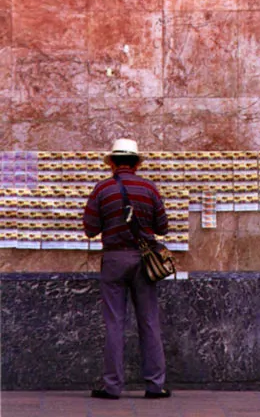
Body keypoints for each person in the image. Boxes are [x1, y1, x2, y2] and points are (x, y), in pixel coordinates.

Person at [83, 137, 171, 400]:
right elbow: (163, 227)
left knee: (114, 324)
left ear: (112, 162)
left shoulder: (102, 189)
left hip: (113, 260)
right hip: (144, 262)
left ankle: (112, 386)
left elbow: (90, 229)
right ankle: (155, 385)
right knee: (149, 322)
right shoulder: (149, 188)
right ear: (135, 163)